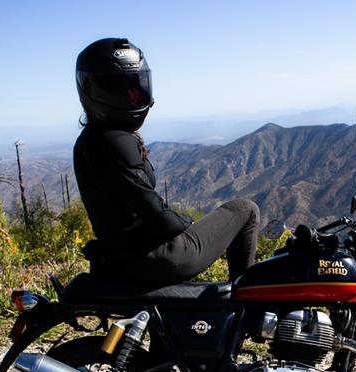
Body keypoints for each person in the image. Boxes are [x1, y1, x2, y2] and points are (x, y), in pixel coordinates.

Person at [73, 37, 259, 287]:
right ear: (93, 90)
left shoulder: (90, 139)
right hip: (159, 260)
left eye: (136, 86)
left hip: (125, 259)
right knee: (245, 209)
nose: (132, 96)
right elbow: (157, 216)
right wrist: (189, 224)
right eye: (119, 89)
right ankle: (245, 302)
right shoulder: (114, 142)